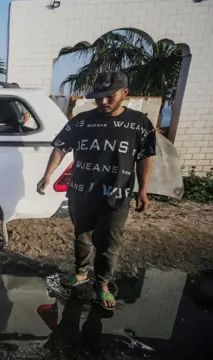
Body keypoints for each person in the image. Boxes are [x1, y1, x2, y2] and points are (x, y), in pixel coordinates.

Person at [36, 71, 156, 310]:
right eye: (98, 97)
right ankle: (80, 273)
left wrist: (143, 190)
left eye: (109, 96)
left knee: (109, 243)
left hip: (117, 194)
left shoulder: (139, 123)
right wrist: (48, 175)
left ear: (125, 93)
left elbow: (145, 157)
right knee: (82, 236)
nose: (103, 102)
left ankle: (102, 285)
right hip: (81, 192)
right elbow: (60, 148)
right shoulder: (81, 121)